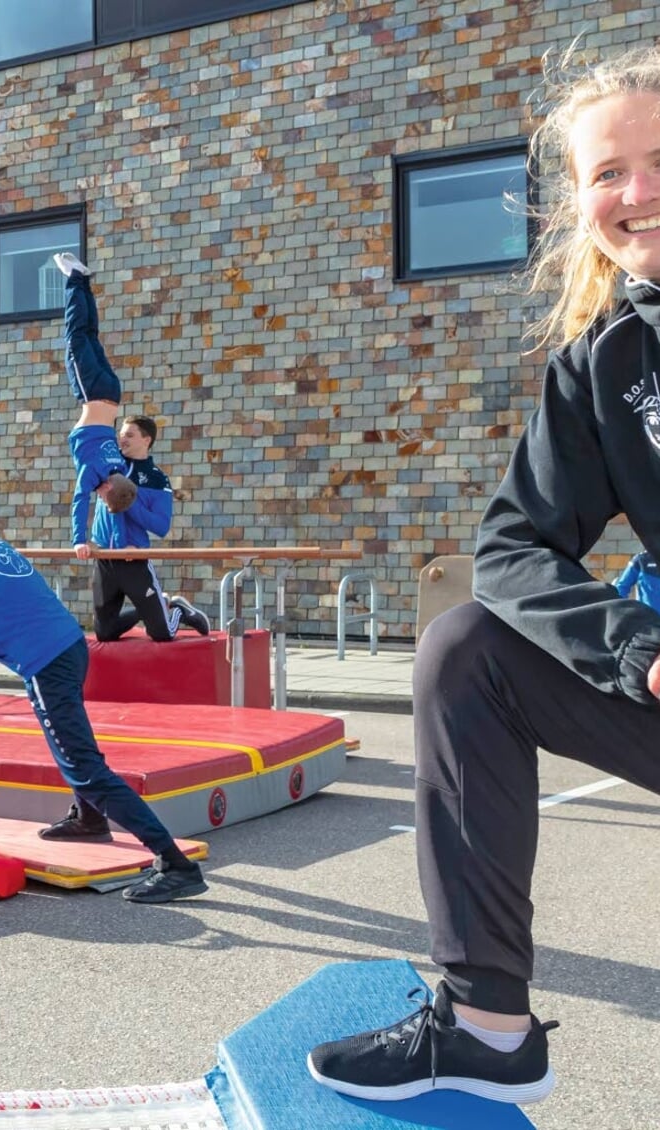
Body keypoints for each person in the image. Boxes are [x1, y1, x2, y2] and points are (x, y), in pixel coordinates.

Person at [307, 45, 660, 1106]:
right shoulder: (604, 360)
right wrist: (631, 648)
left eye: (657, 160)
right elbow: (510, 544)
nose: (633, 193)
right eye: (606, 172)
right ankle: (487, 1027)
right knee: (462, 650)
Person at [0, 499, 207, 904]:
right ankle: (89, 818)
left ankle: (175, 864)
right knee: (74, 751)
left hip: (47, 662)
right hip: (65, 648)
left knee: (85, 768)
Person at [54, 252, 211, 643]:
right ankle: (76, 281)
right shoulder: (108, 469)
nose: (124, 439)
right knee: (76, 339)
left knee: (86, 338)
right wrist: (79, 538)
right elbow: (80, 501)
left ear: (146, 441)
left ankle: (81, 282)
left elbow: (143, 515)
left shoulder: (136, 473)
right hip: (97, 398)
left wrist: (124, 502)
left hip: (108, 395)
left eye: (131, 435)